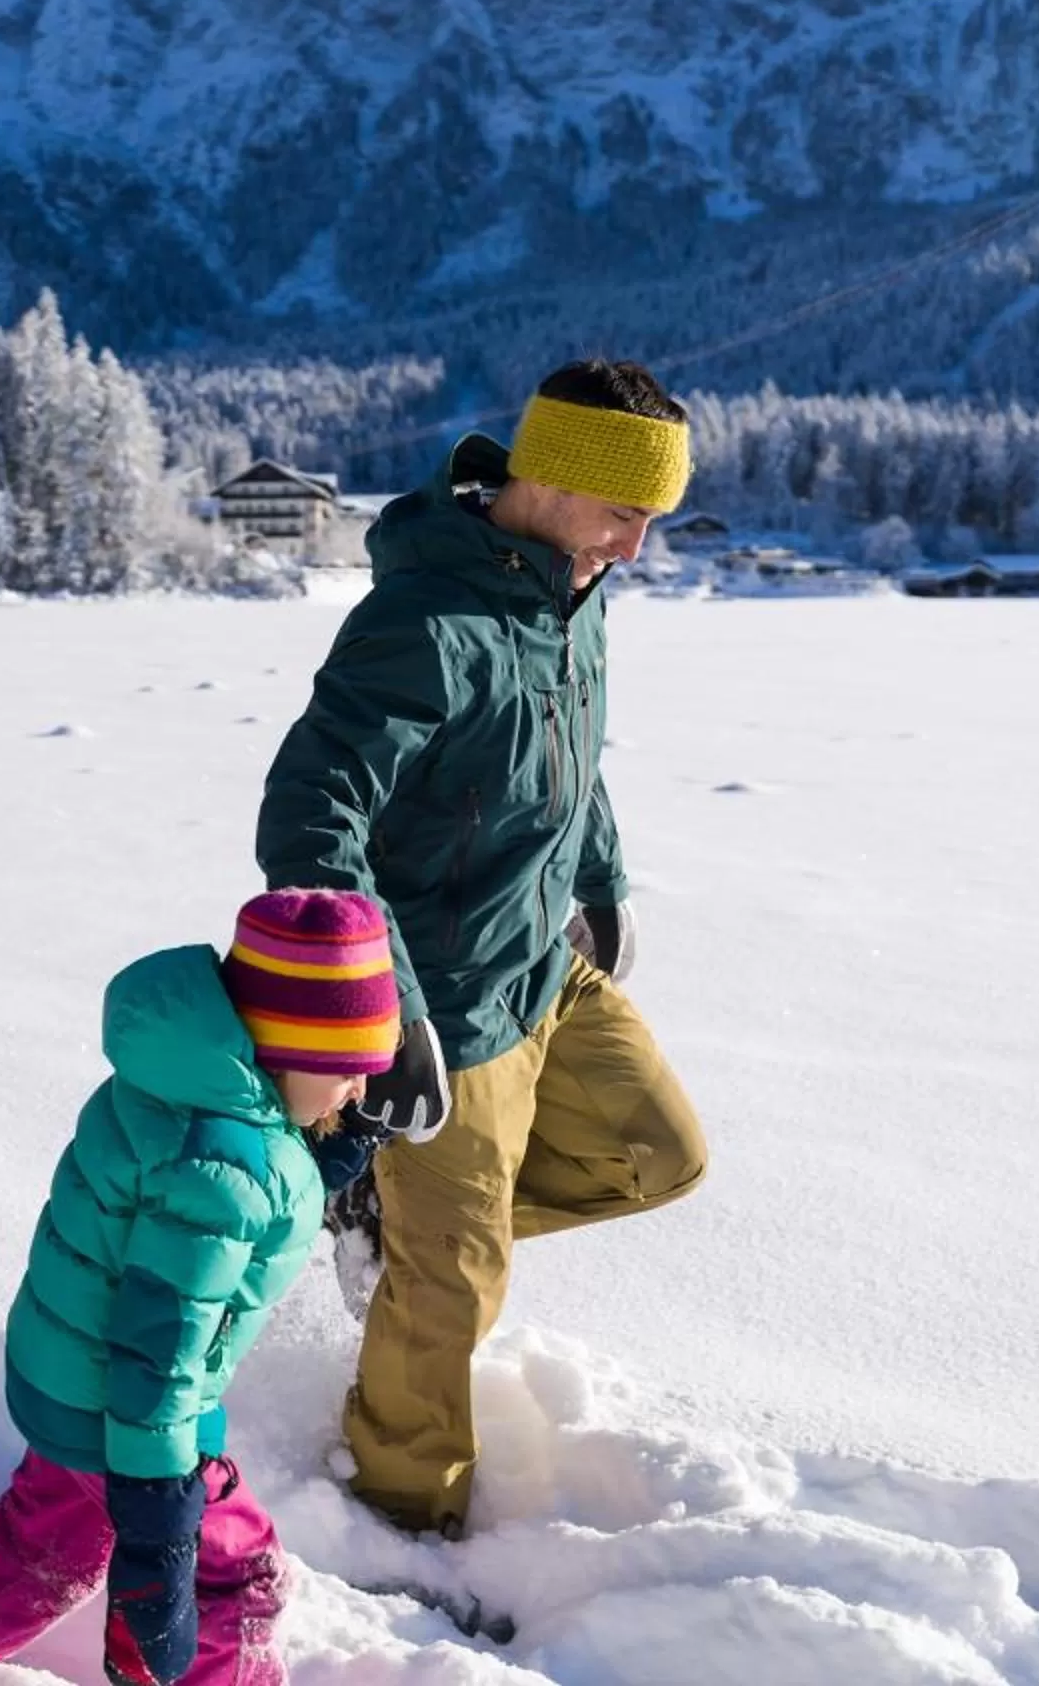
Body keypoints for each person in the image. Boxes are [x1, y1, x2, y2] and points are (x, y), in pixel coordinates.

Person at [255, 358, 711, 1542]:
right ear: (552, 477)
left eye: (655, 515)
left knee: (658, 1153)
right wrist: (383, 1003)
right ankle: (401, 1522)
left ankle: (389, 1228)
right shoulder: (425, 621)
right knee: (451, 1291)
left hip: (544, 963)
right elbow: (309, 815)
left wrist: (600, 878)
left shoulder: (573, 587)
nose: (642, 543)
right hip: (444, 1003)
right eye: (627, 511)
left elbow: (575, 755)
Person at [0, 888, 402, 1686]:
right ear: (281, 1049)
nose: (357, 1091)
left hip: (82, 1380)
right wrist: (158, 1512)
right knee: (233, 1577)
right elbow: (164, 1341)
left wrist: (315, 1167)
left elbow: (213, 1198)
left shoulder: (197, 1087)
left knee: (42, 1552)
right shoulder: (225, 1167)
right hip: (132, 1415)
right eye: (345, 1069)